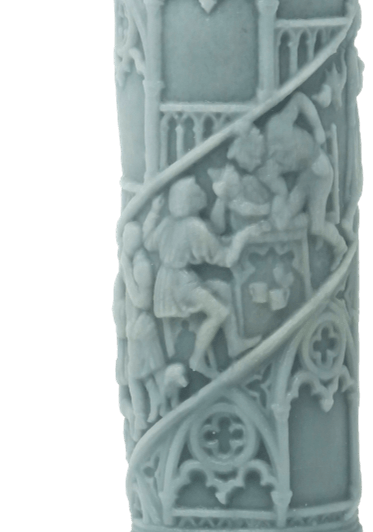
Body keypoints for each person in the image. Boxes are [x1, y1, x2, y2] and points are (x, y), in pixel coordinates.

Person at [148, 178, 261, 371]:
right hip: (180, 284)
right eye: (197, 191)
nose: (202, 192)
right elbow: (226, 258)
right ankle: (196, 359)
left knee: (223, 289)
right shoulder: (194, 227)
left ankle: (234, 344)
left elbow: (150, 242)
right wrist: (243, 237)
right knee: (219, 312)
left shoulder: (168, 222)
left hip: (167, 281)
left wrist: (154, 212)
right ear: (189, 199)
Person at [257, 92, 348, 260]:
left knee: (317, 227)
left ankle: (340, 246)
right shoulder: (265, 167)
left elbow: (299, 99)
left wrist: (317, 127)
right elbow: (280, 190)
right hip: (304, 179)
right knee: (282, 220)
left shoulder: (276, 126)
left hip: (321, 176)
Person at [119, 220, 187, 431]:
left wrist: (127, 272)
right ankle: (158, 410)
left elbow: (142, 301)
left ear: (134, 241)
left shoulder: (141, 266)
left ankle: (147, 416)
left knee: (139, 374)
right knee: (147, 373)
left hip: (143, 328)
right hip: (136, 329)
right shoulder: (135, 261)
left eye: (127, 239)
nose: (124, 243)